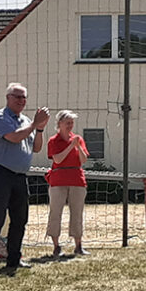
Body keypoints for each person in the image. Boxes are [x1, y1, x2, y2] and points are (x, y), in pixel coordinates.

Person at [0, 83, 50, 271]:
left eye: (24, 97)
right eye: (17, 97)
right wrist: (34, 124)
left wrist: (39, 129)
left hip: (19, 176)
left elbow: (36, 147)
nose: (21, 101)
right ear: (8, 98)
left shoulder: (26, 120)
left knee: (20, 218)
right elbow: (13, 137)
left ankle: (14, 258)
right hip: (0, 172)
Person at [46, 110, 90, 258]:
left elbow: (83, 160)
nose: (70, 126)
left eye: (72, 123)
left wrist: (77, 146)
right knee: (55, 212)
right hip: (58, 180)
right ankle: (56, 246)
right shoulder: (53, 141)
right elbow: (57, 159)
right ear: (59, 124)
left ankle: (78, 245)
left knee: (77, 213)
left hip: (77, 179)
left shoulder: (78, 139)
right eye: (67, 123)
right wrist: (71, 146)